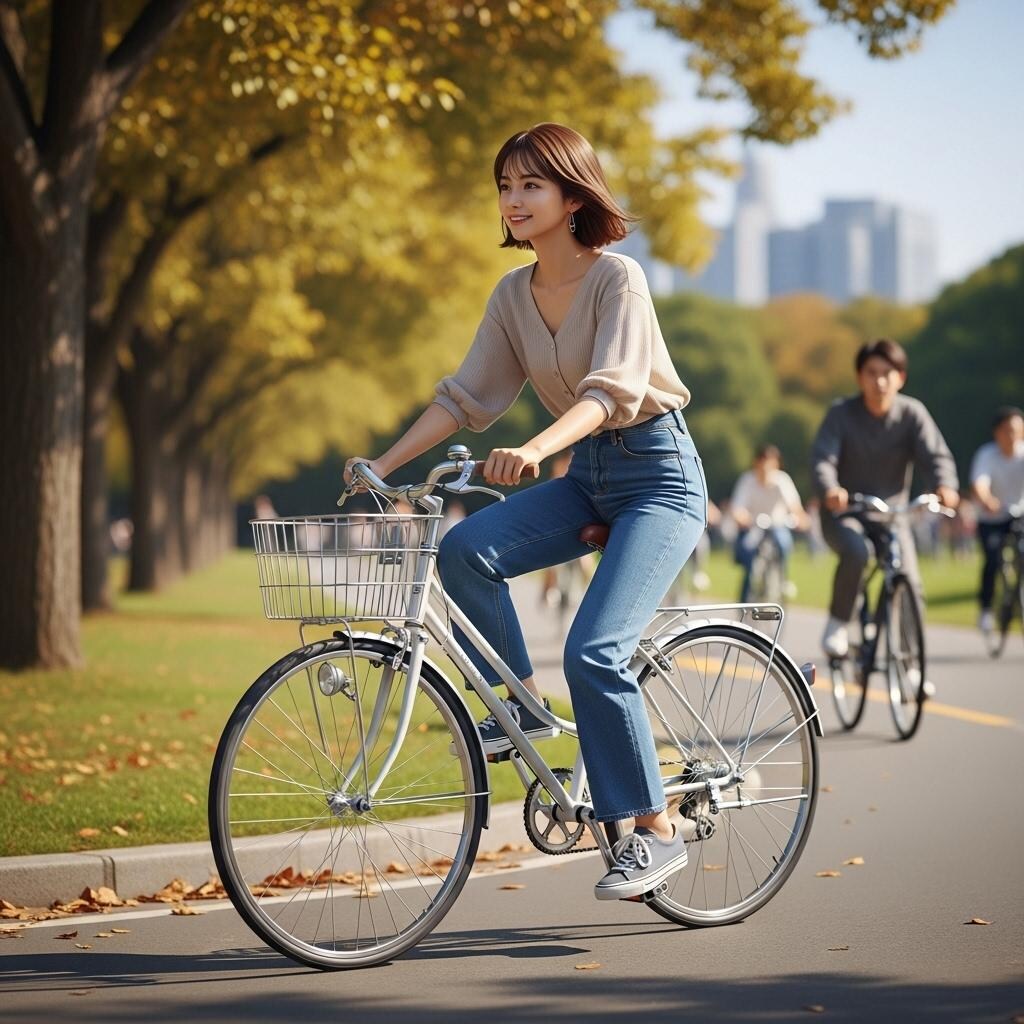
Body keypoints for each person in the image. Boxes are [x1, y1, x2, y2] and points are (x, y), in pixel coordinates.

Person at [343, 123, 706, 901]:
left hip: (659, 476)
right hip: (591, 474)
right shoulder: (513, 294)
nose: (513, 200)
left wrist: (537, 448)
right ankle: (522, 710)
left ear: (574, 196)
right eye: (505, 185)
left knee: (595, 651)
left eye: (530, 185)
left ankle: (655, 829)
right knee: (464, 550)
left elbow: (611, 391)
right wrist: (384, 464)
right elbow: (465, 397)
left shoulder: (620, 280)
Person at [810, 338, 959, 658]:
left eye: (887, 373)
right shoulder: (841, 414)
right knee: (857, 551)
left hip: (893, 516)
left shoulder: (912, 413)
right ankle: (838, 622)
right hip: (845, 513)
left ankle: (910, 668)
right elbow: (823, 459)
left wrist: (946, 486)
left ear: (901, 377)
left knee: (910, 583)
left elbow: (937, 458)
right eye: (871, 372)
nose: (879, 381)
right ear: (859, 377)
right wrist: (831, 489)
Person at [730, 444, 808, 602]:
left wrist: (800, 518)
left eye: (772, 463)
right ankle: (745, 600)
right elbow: (738, 508)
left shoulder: (782, 481)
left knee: (783, 543)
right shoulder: (747, 480)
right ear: (756, 463)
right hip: (754, 527)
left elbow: (794, 507)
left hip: (777, 526)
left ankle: (783, 578)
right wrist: (741, 517)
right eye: (764, 461)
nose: (767, 467)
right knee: (748, 554)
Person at [969, 406, 1024, 632]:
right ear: (997, 432)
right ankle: (985, 608)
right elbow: (979, 483)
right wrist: (988, 500)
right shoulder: (987, 455)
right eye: (1007, 430)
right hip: (992, 518)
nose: (1012, 436)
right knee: (992, 560)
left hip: (1019, 514)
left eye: (1017, 430)